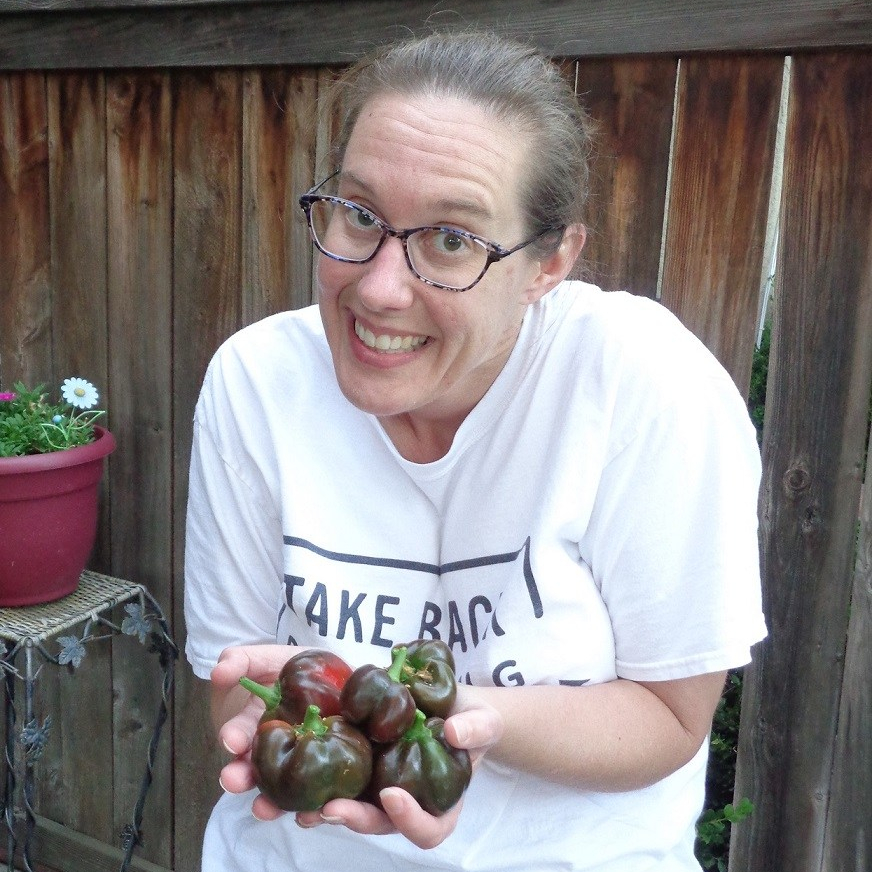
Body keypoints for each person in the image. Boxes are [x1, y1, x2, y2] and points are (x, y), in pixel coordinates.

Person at [183, 28, 766, 872]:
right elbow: (235, 680)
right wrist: (257, 715)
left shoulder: (639, 383)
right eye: (360, 215)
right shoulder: (257, 382)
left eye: (451, 239)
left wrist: (470, 720)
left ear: (550, 263)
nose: (379, 287)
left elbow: (673, 717)